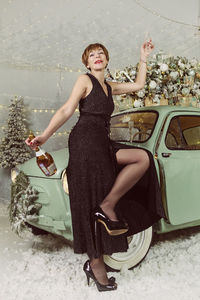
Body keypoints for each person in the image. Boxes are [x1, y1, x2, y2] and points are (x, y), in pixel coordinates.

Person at [25, 40, 165, 292]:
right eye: (92, 55)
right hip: (85, 143)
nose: (97, 56)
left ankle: (108, 205)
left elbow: (140, 85)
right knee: (88, 198)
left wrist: (143, 58)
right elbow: (68, 109)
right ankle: (96, 265)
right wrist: (44, 136)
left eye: (101, 53)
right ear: (87, 62)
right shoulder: (85, 80)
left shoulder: (109, 86)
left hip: (103, 143)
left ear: (107, 60)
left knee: (141, 159)